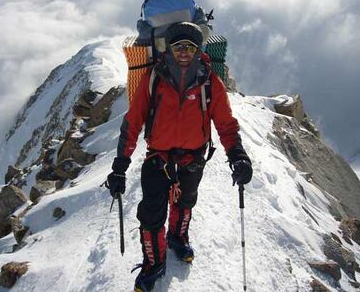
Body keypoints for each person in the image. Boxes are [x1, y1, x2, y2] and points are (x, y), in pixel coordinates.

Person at [106, 22, 253, 292]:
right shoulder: (154, 78)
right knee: (151, 214)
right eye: (178, 47)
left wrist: (238, 155)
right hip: (158, 158)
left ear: (198, 50)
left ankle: (177, 236)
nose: (184, 52)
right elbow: (133, 121)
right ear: (168, 49)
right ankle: (154, 262)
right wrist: (120, 166)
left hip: (193, 158)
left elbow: (225, 123)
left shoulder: (210, 82)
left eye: (190, 47)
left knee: (186, 201)